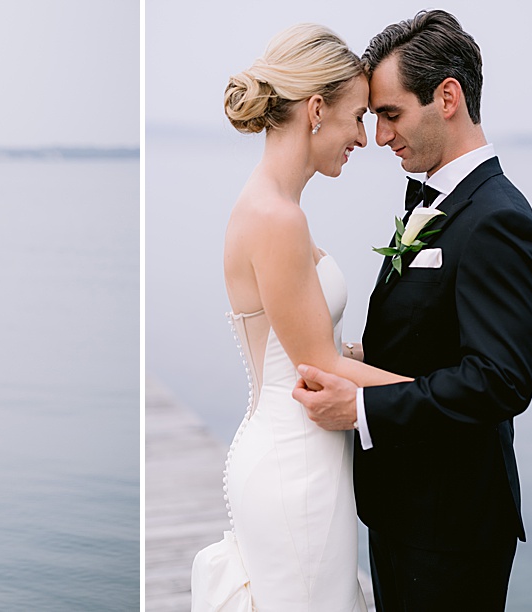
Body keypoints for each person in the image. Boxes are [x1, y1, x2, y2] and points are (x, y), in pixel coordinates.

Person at [293, 10, 532, 611]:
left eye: (391, 114)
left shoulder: (498, 220)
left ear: (448, 97)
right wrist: (363, 358)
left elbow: (499, 381)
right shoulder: (438, 198)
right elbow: (435, 337)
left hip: (453, 528)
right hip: (403, 510)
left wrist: (359, 405)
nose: (379, 137)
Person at [189, 24, 410, 610]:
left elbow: (312, 346)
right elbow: (316, 363)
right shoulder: (275, 217)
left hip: (303, 451)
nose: (363, 138)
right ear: (316, 109)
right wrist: (445, 396)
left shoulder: (275, 207)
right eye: (358, 116)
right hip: (296, 464)